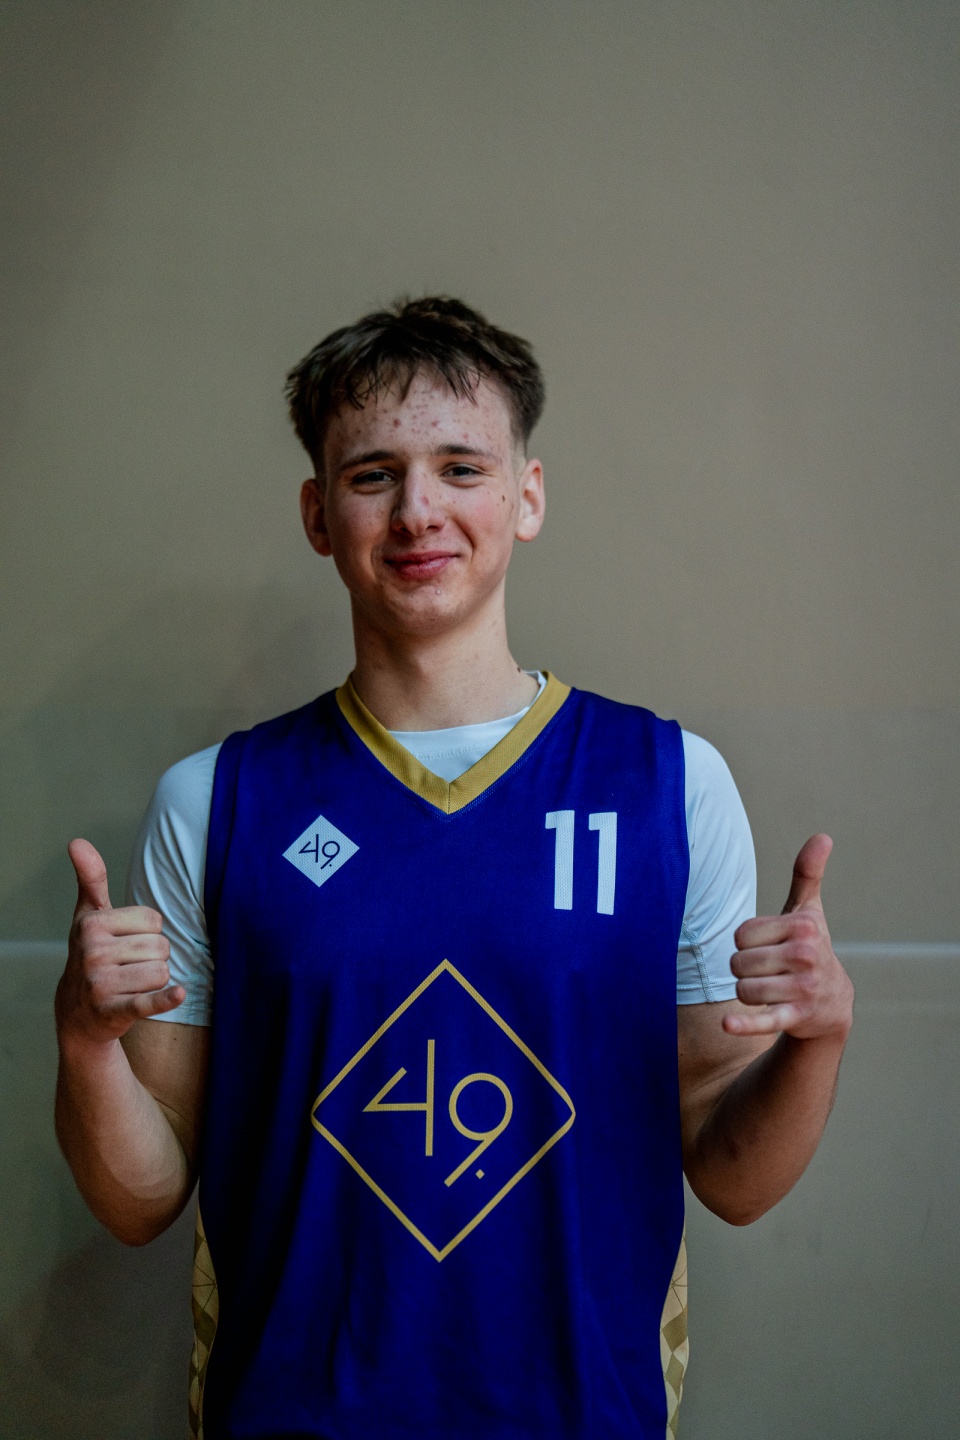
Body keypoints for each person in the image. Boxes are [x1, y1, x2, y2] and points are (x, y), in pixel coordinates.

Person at [54, 297, 854, 1440]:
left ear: (527, 496)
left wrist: (820, 1037)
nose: (418, 511)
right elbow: (142, 1199)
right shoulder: (215, 800)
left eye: (461, 468)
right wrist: (87, 1046)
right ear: (318, 514)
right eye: (372, 475)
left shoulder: (668, 783)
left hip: (582, 1417)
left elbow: (732, 1175)